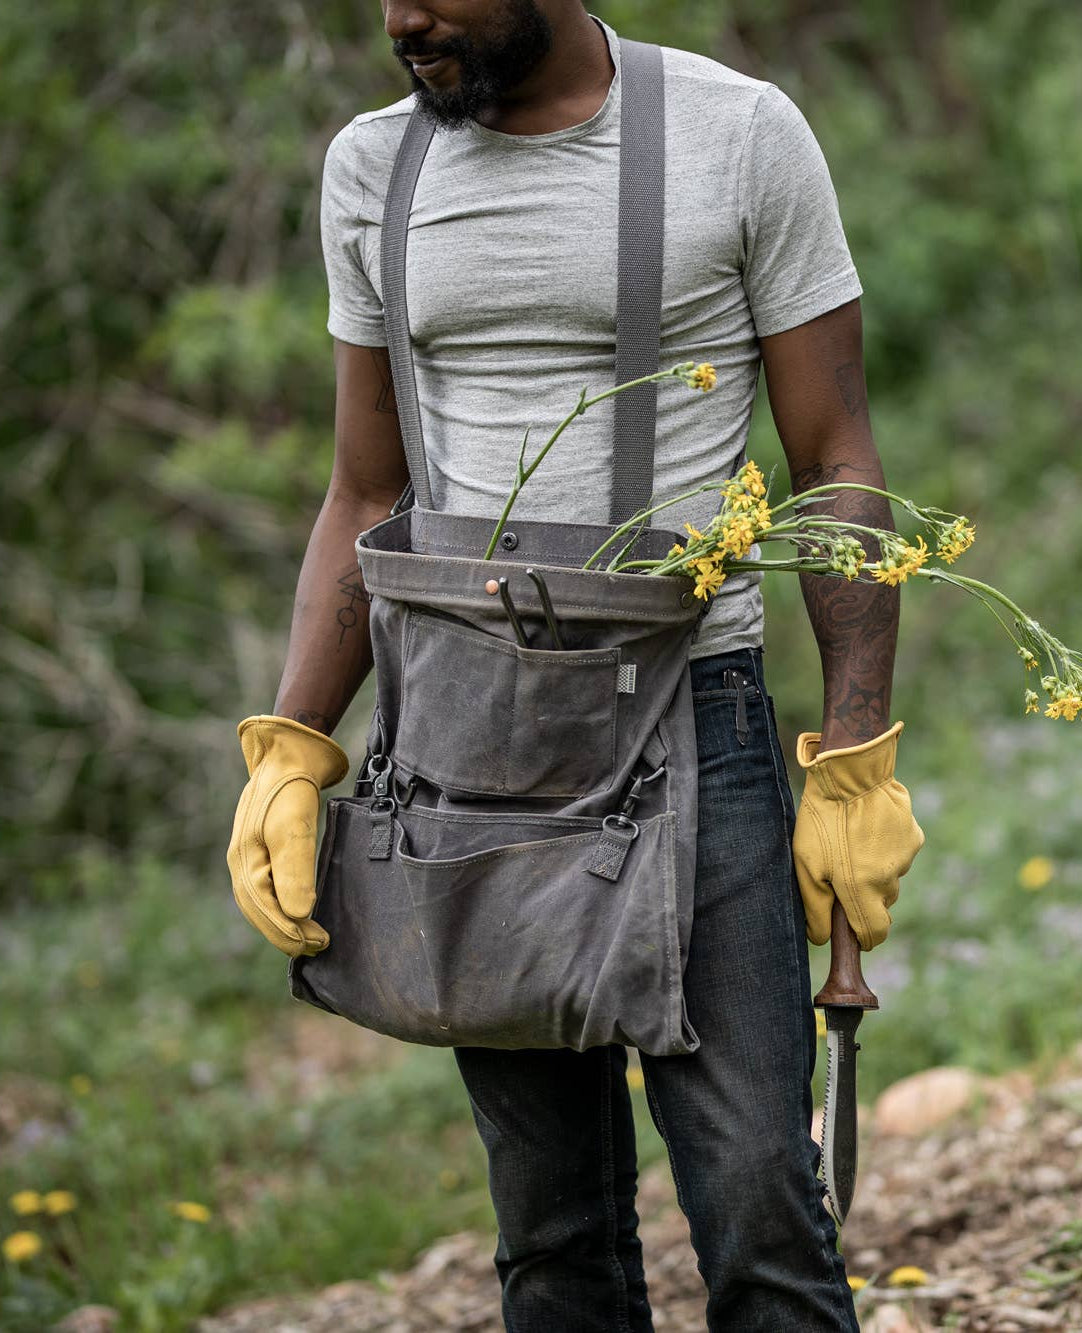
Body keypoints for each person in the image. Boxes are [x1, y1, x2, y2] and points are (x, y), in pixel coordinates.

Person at [227, 2, 924, 1328]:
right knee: (551, 1229)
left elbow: (834, 459)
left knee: (760, 1196)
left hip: (693, 719)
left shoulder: (738, 136)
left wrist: (854, 756)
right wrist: (293, 747)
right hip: (464, 740)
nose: (402, 18)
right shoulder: (374, 169)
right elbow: (366, 487)